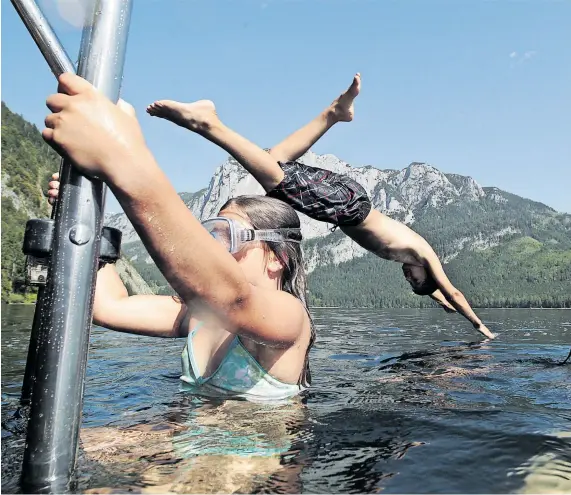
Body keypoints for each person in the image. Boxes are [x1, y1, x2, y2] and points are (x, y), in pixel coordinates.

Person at [145, 73, 496, 340]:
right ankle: (207, 123)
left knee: (275, 160)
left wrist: (441, 302)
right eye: (415, 278)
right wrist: (480, 327)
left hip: (345, 204)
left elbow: (442, 297)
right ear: (427, 274)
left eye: (410, 281)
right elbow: (451, 291)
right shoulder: (423, 252)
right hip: (348, 208)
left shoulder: (409, 257)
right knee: (275, 179)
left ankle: (334, 113)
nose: (408, 275)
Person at [43, 73, 314, 403]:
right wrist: (89, 226)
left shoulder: (291, 318)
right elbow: (109, 306)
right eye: (211, 236)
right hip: (184, 443)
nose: (214, 250)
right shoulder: (198, 315)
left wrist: (123, 159)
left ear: (277, 258)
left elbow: (234, 301)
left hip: (249, 453)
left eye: (229, 237)